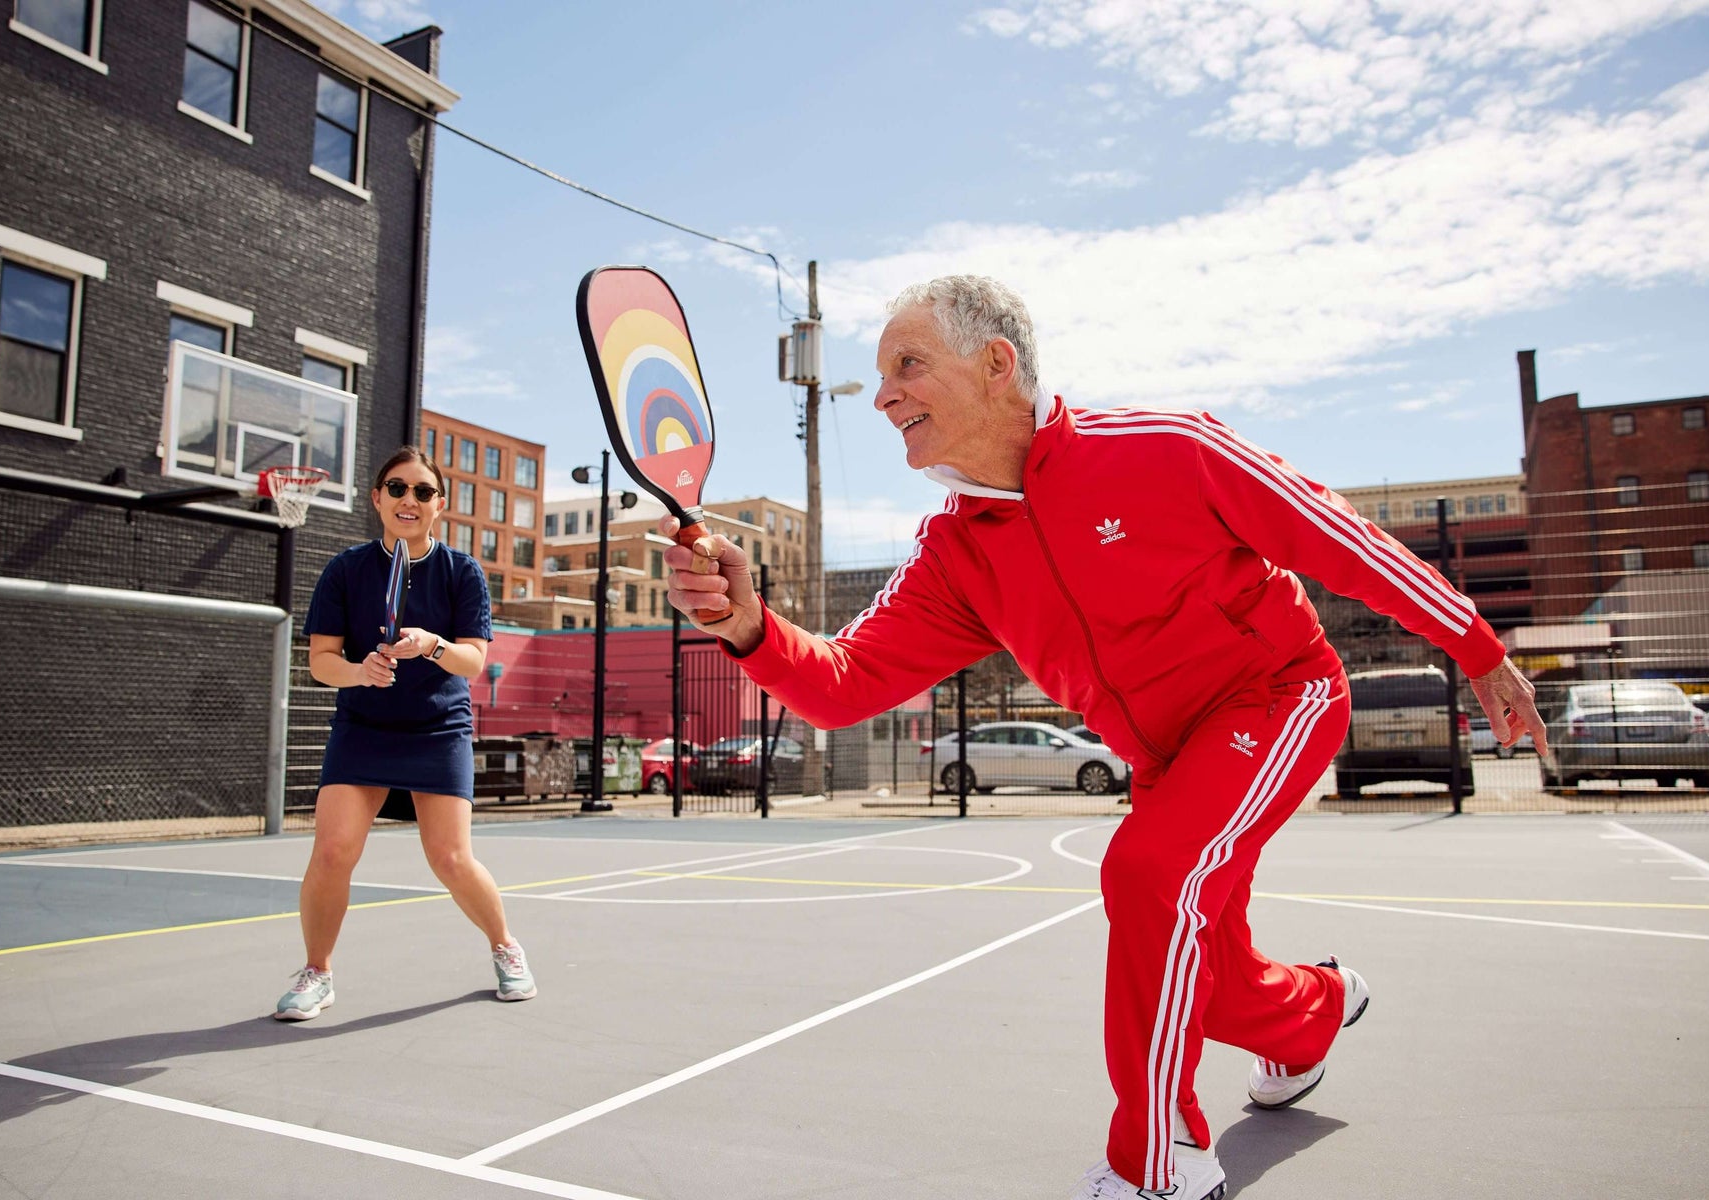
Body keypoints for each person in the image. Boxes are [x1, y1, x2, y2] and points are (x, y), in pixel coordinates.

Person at [660, 276, 1547, 1198]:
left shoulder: (1165, 450)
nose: (883, 394)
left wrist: (1475, 645)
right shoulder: (955, 555)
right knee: (1207, 964)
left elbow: (1335, 535)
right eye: (881, 375)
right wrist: (750, 627)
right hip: (1167, 760)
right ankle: (1311, 1014)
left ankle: (1161, 1162)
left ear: (997, 364)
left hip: (1276, 697)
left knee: (1149, 876)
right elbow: (845, 685)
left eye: (908, 365)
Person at [275, 446, 536, 1020]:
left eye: (422, 491)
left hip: (437, 728)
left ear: (440, 504)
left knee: (449, 857)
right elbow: (321, 661)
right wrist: (360, 673)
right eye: (397, 488)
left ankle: (505, 946)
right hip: (363, 726)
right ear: (377, 498)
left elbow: (472, 661)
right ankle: (317, 971)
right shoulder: (346, 569)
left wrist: (432, 644)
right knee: (333, 850)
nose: (409, 500)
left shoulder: (462, 572)